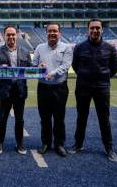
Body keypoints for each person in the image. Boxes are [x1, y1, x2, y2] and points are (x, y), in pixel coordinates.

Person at [69, 18, 117, 162]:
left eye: (98, 28)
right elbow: (75, 65)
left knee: (104, 119)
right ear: (88, 30)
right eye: (92, 28)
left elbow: (115, 67)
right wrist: (86, 76)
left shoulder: (110, 48)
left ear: (102, 30)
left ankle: (109, 148)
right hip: (83, 87)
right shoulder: (79, 47)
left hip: (102, 88)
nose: (95, 30)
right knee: (81, 117)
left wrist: (103, 77)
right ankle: (78, 144)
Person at [32, 22, 73, 157]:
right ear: (46, 33)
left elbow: (66, 65)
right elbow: (33, 64)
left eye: (55, 31)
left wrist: (53, 73)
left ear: (59, 33)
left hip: (60, 88)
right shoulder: (39, 47)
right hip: (43, 87)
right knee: (44, 117)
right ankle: (46, 143)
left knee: (59, 118)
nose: (52, 33)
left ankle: (59, 144)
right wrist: (39, 65)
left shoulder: (66, 47)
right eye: (50, 31)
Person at [0, 25, 31, 155]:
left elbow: (30, 70)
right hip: (5, 91)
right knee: (2, 118)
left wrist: (39, 67)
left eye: (13, 34)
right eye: (8, 34)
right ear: (4, 36)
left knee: (20, 119)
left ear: (17, 35)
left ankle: (19, 143)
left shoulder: (25, 51)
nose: (11, 37)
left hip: (20, 90)